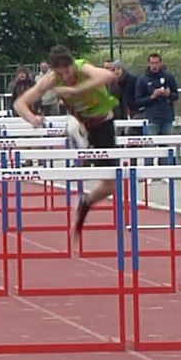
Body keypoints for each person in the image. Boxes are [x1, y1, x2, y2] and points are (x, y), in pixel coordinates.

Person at [13, 45, 119, 237]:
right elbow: (19, 103)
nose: (66, 76)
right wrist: (32, 119)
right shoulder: (52, 79)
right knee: (72, 125)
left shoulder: (82, 67)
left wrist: (75, 89)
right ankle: (78, 138)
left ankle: (84, 204)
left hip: (103, 124)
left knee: (110, 186)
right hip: (80, 122)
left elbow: (108, 76)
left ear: (72, 65)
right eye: (60, 73)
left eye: (67, 71)